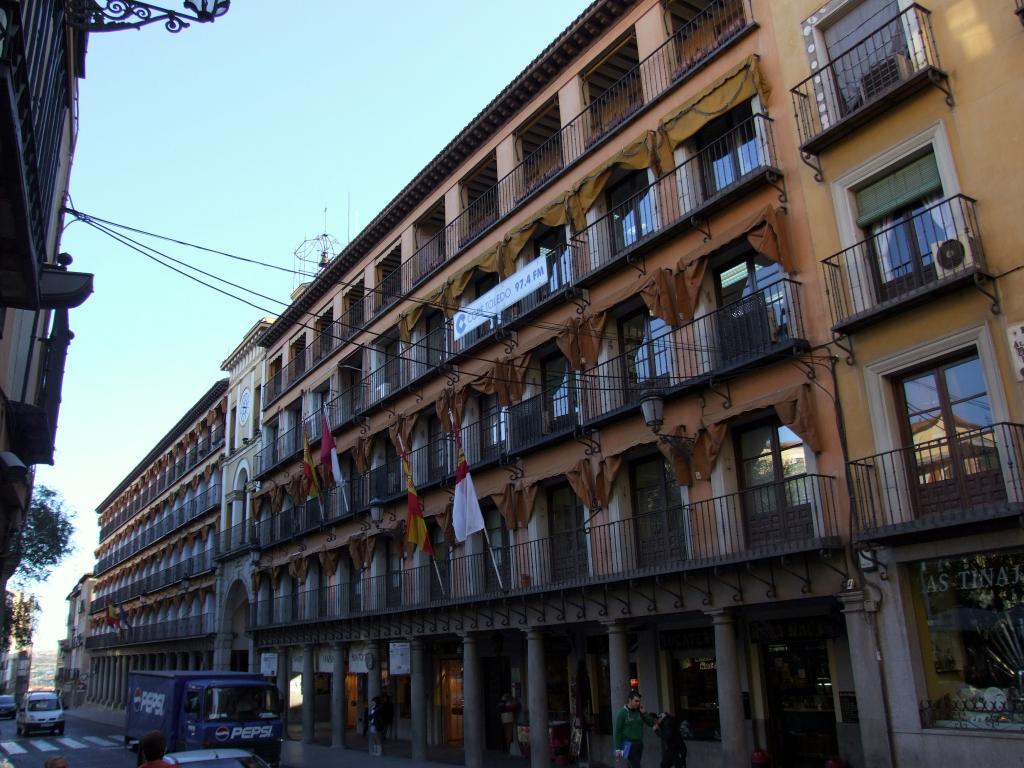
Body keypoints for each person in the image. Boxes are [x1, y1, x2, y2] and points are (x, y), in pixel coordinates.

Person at [613, 691, 656, 768]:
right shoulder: (622, 713)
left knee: (634, 764)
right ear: (630, 700)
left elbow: (651, 723)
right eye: (636, 701)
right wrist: (617, 748)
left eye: (639, 701)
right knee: (635, 764)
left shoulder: (640, 711)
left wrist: (644, 713)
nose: (638, 703)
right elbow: (617, 732)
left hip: (639, 744)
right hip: (627, 744)